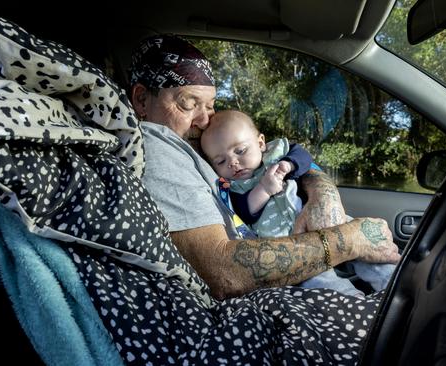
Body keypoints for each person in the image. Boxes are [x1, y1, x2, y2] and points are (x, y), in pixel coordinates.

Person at [128, 34, 401, 300]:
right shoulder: (159, 145)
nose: (204, 119)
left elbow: (285, 155)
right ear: (141, 100)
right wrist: (349, 240)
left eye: (210, 106)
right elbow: (224, 273)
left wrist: (322, 193)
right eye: (189, 103)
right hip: (270, 289)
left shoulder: (199, 139)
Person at [200, 110, 396, 297]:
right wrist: (264, 189)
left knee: (366, 243)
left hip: (317, 218)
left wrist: (288, 164)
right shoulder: (231, 188)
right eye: (220, 161)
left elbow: (303, 156)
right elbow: (243, 212)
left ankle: (392, 282)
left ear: (261, 143)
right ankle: (351, 300)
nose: (233, 162)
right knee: (317, 280)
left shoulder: (276, 154)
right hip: (285, 243)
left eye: (240, 150)